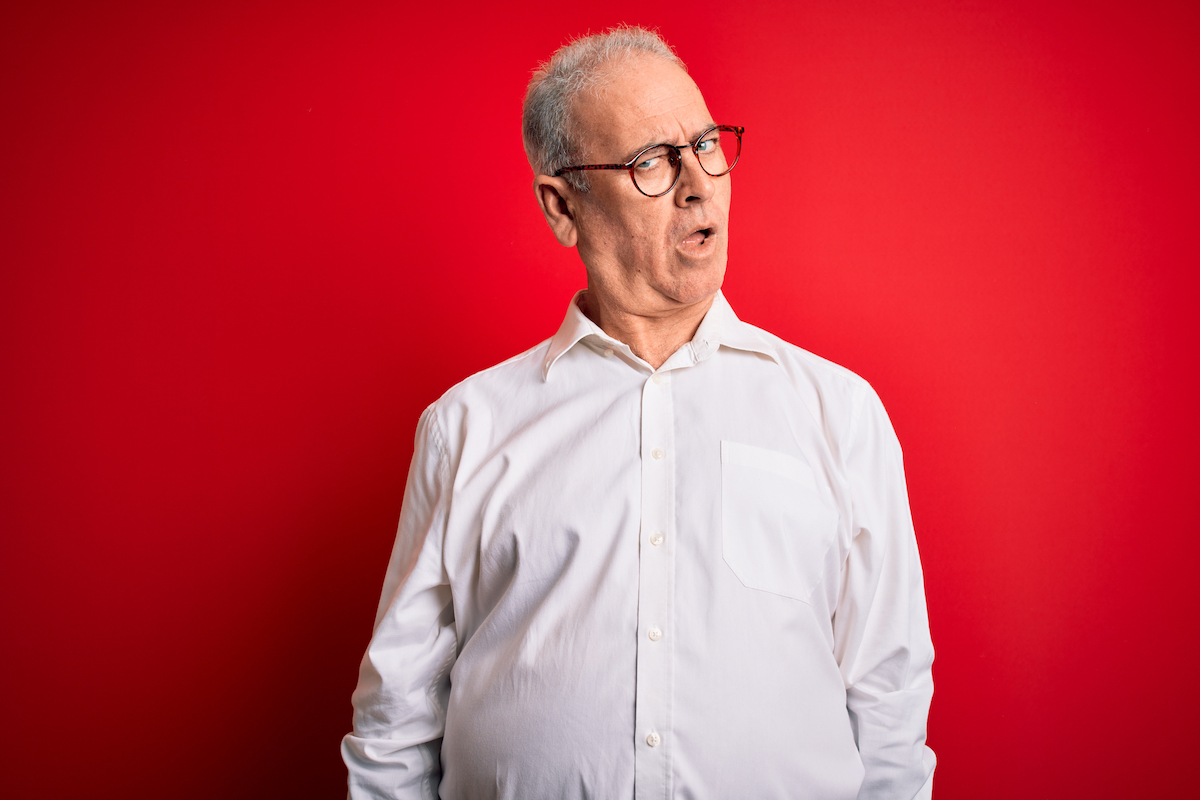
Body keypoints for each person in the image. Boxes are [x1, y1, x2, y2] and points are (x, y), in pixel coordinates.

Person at [341, 26, 935, 800]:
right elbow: (396, 721)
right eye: (651, 161)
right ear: (563, 208)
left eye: (707, 144)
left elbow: (889, 710)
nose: (699, 183)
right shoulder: (466, 428)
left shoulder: (840, 413)